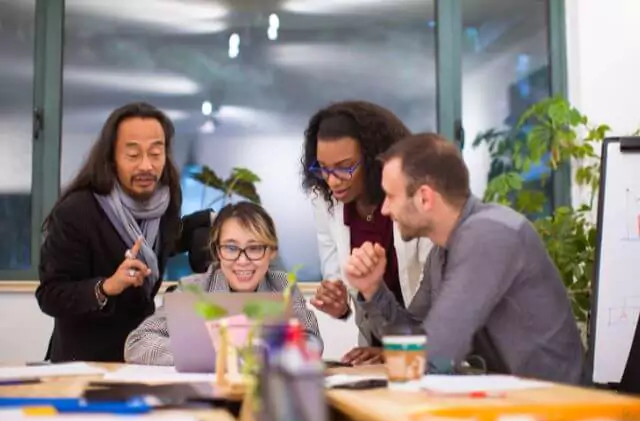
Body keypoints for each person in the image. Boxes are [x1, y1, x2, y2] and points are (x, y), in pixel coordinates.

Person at [345, 133, 584, 384]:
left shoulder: (490, 234)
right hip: (509, 405)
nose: (384, 209)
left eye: (391, 196)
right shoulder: (441, 253)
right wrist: (373, 289)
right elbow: (413, 341)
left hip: (555, 409)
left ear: (425, 198)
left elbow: (435, 355)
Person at [36, 102, 201, 362]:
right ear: (111, 157)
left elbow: (157, 243)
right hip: (85, 362)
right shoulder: (78, 210)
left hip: (143, 355)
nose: (146, 165)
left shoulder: (167, 199)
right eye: (133, 155)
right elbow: (50, 295)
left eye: (156, 153)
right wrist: (107, 286)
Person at [301, 101, 431, 365]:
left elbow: (437, 299)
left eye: (344, 167)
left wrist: (398, 351)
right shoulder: (325, 199)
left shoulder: (412, 200)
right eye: (322, 168)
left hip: (426, 348)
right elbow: (340, 280)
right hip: (374, 346)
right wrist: (339, 304)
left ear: (375, 160)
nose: (332, 180)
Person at [125, 202, 322, 365]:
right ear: (218, 252)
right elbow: (137, 343)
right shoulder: (192, 290)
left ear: (271, 252)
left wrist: (266, 352)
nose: (242, 260)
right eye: (230, 248)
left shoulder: (283, 286)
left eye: (254, 248)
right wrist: (207, 354)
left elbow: (311, 341)